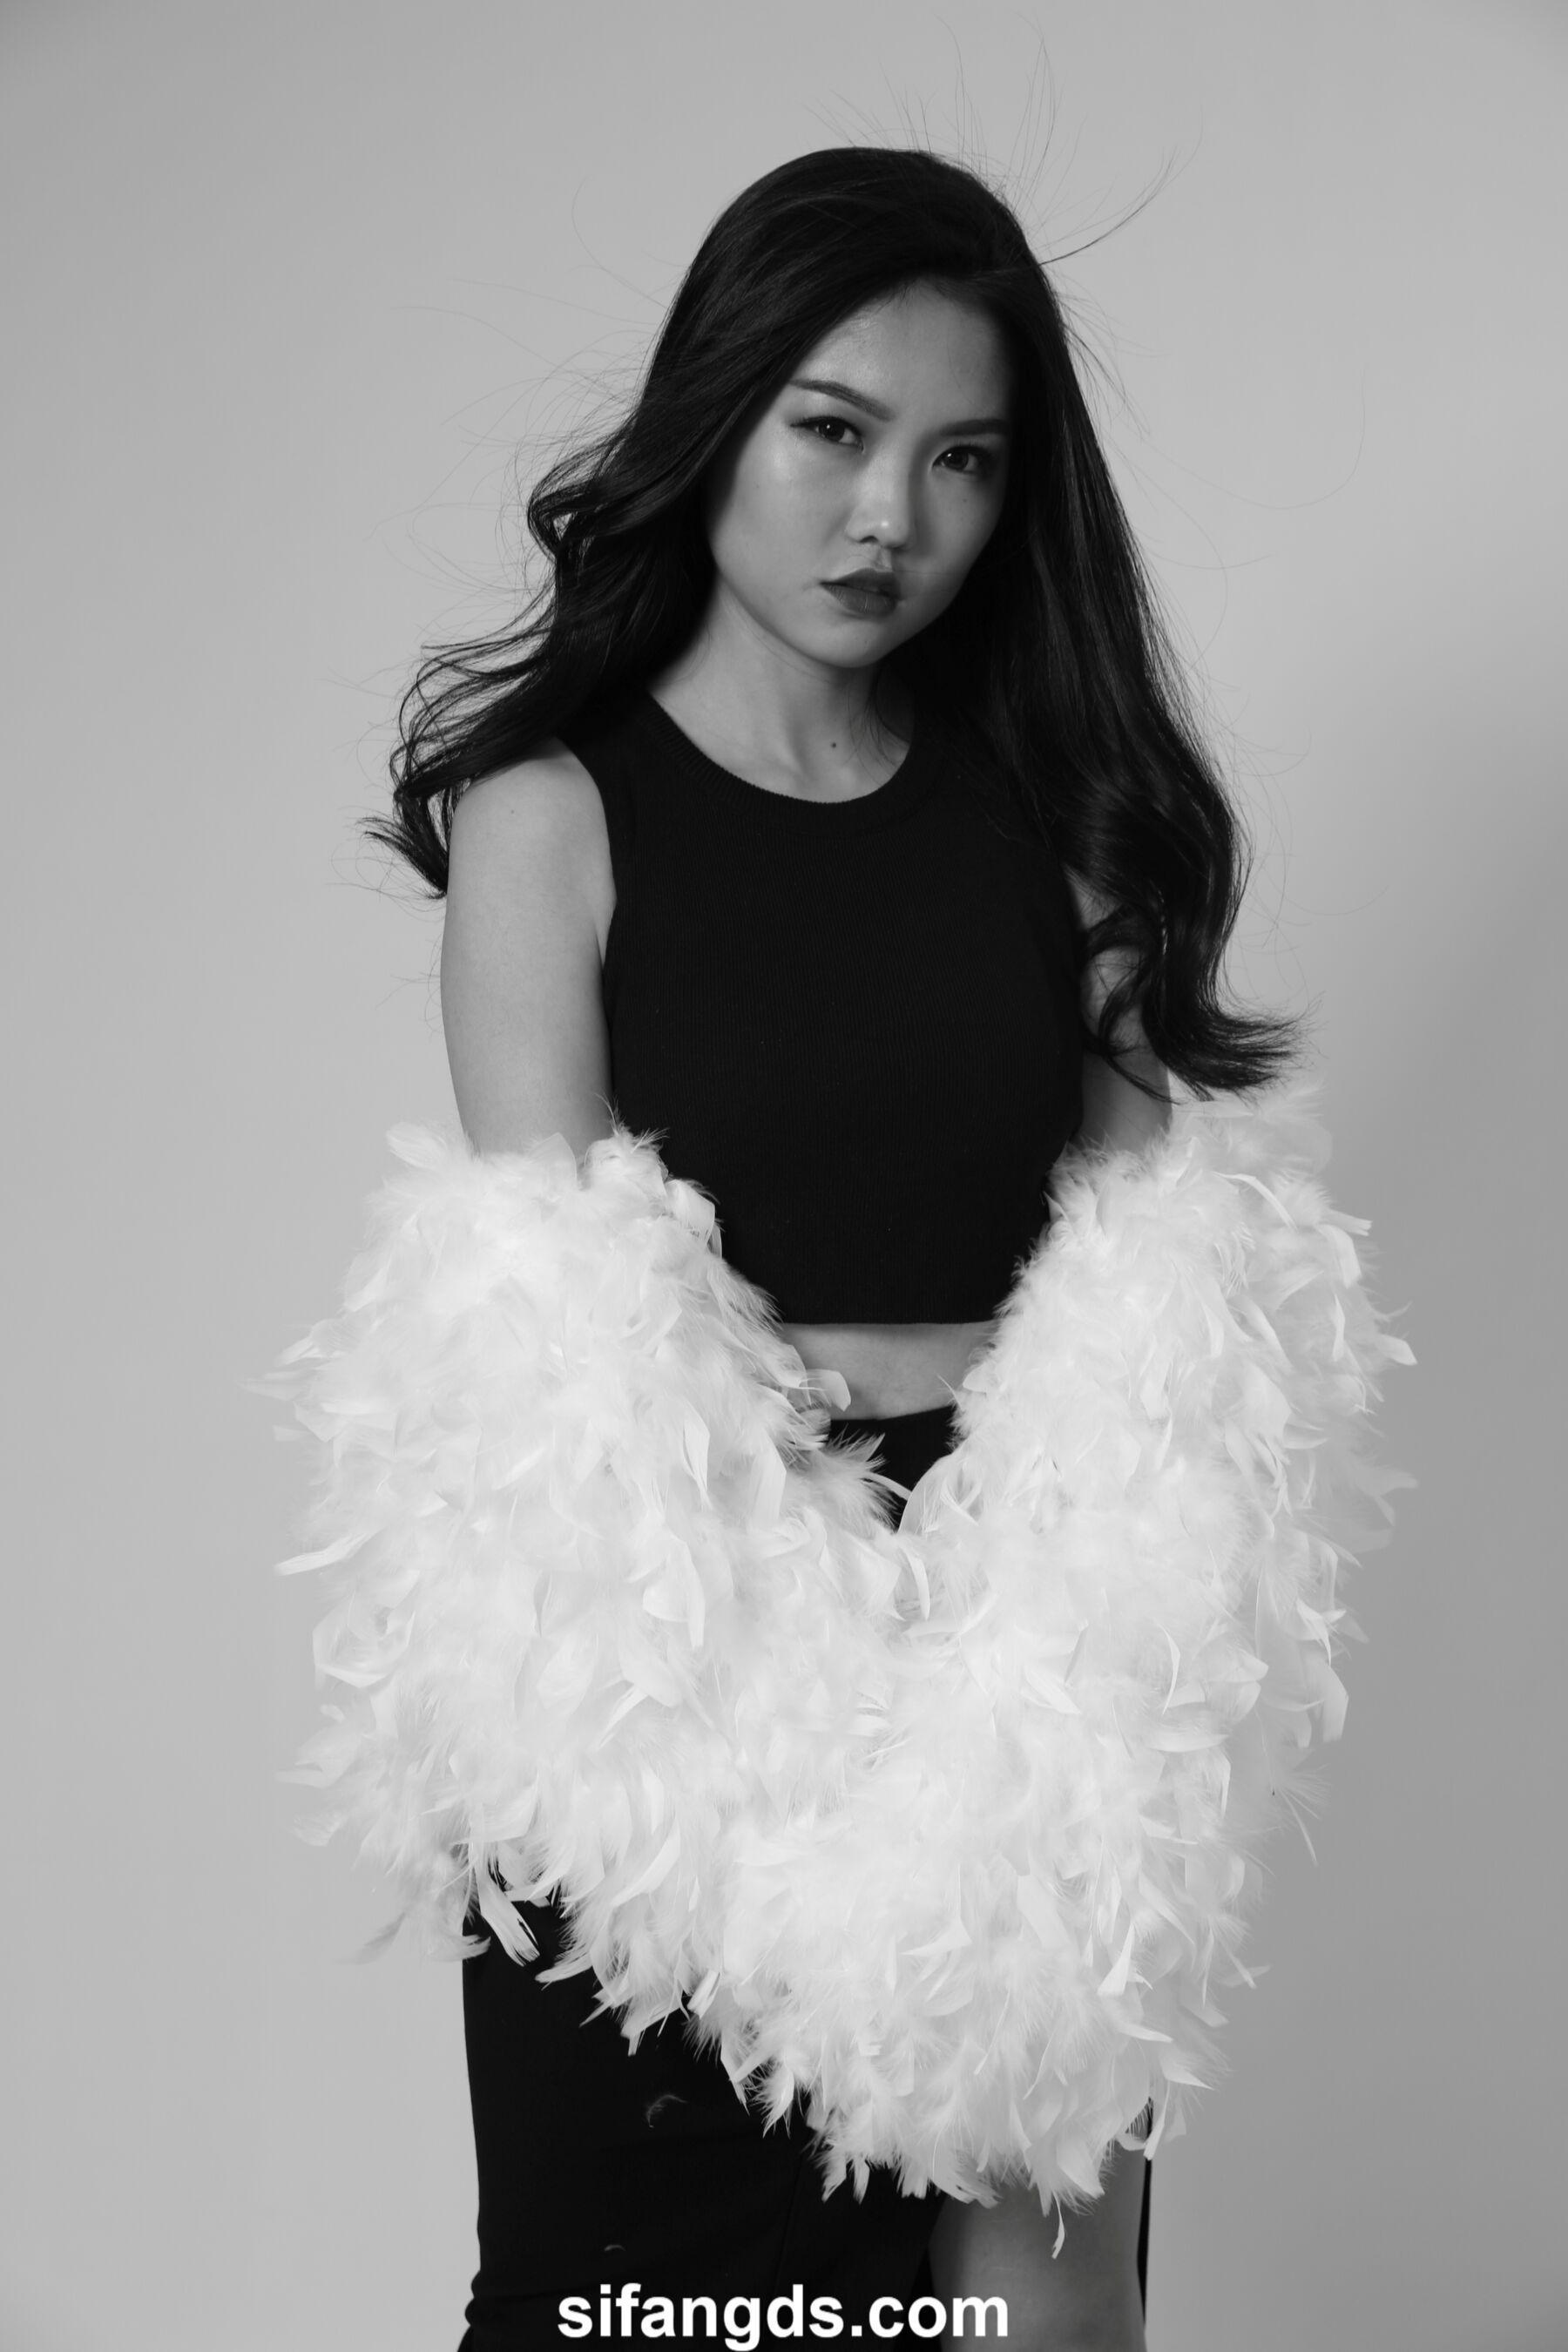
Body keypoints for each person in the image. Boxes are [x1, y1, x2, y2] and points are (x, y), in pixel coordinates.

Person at [306, 144, 1380, 2349]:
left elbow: (1152, 1294)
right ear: (718, 416)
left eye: (962, 459)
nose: (892, 515)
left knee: (1033, 2322)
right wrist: (790, 1644)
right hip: (662, 1663)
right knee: (633, 2311)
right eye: (834, 430)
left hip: (1027, 1651)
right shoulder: (551, 815)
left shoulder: (1071, 822)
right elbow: (565, 1340)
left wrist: (1039, 1680)